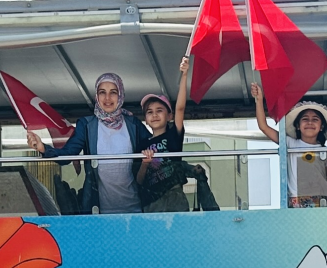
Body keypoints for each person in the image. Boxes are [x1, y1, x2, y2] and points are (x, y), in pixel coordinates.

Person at [26, 72, 154, 214]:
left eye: (113, 92)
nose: (107, 98)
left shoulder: (133, 124)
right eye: (102, 92)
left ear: (121, 95)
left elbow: (156, 146)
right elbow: (67, 155)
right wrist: (43, 148)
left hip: (135, 208)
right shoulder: (86, 125)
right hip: (99, 211)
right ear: (96, 97)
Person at [252, 83, 327, 207]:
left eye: (315, 119)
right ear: (298, 126)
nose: (310, 122)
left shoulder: (325, 151)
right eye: (305, 119)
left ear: (321, 127)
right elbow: (263, 126)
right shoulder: (290, 143)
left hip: (321, 202)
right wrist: (259, 100)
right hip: (296, 201)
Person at [135, 56, 201, 212]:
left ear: (169, 116)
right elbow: (138, 180)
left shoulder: (173, 136)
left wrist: (184, 75)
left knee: (178, 229)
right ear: (145, 119)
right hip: (151, 200)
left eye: (159, 110)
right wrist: (145, 163)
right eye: (149, 112)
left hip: (174, 195)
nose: (154, 115)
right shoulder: (142, 144)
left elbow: (180, 108)